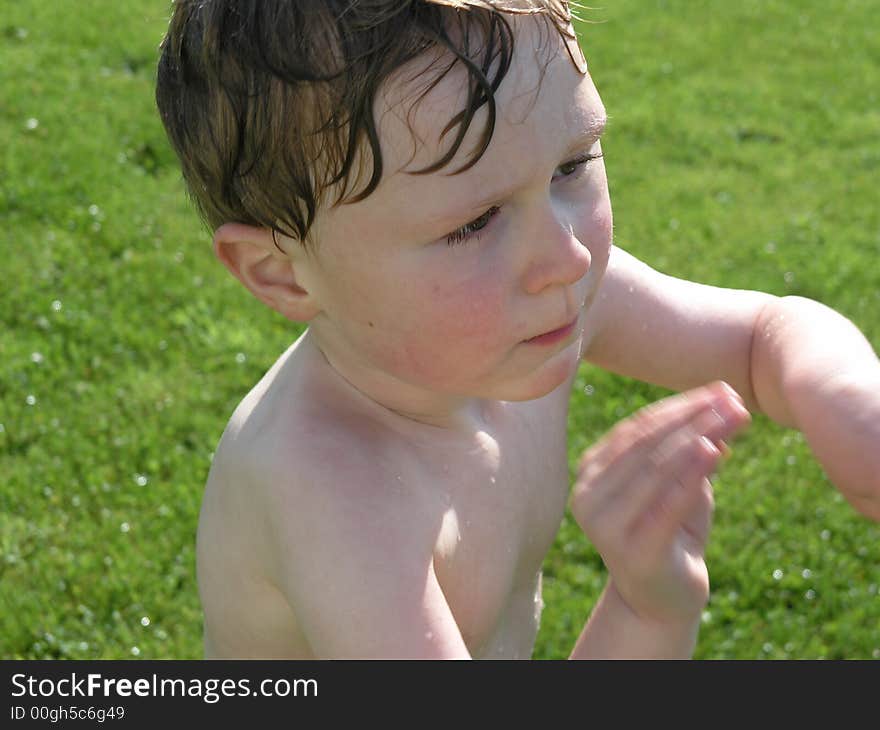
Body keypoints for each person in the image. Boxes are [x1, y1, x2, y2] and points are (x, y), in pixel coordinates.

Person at [155, 0, 880, 659]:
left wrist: (841, 393)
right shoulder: (335, 496)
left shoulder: (532, 307)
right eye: (473, 222)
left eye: (572, 165)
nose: (565, 260)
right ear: (281, 273)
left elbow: (761, 336)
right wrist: (646, 609)